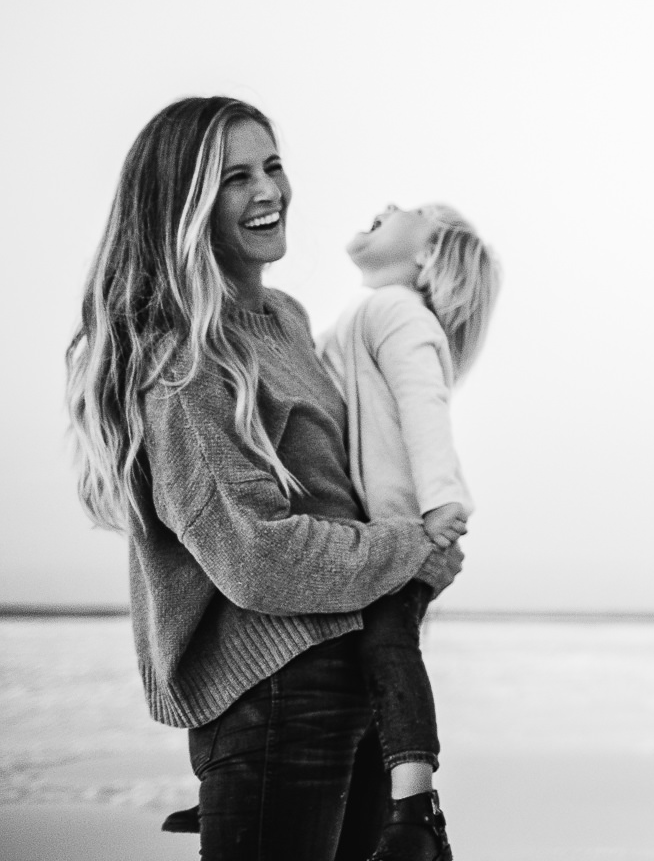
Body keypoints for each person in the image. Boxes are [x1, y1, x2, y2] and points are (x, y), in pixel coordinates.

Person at [65, 96, 462, 861]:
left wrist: (418, 539)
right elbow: (254, 558)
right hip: (277, 694)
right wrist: (409, 548)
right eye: (235, 177)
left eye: (273, 166)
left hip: (351, 677)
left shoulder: (283, 318)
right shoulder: (182, 362)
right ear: (183, 205)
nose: (269, 191)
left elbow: (344, 484)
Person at [317, 202, 500, 861]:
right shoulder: (368, 314)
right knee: (364, 663)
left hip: (408, 524)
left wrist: (439, 503)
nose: (390, 206)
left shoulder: (400, 313)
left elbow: (426, 405)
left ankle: (416, 807)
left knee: (387, 648)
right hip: (387, 528)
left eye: (413, 212)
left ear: (426, 256)